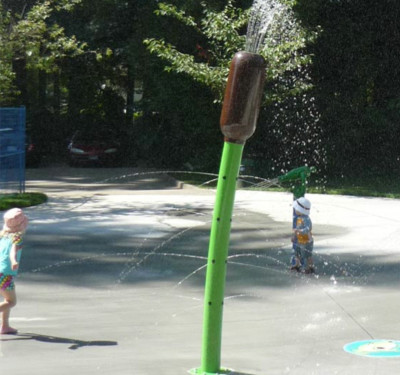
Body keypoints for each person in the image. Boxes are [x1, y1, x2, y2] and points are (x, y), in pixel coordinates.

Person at [0, 208, 28, 334]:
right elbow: (13, 251)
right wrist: (14, 261)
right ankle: (4, 325)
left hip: (2, 273)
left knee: (6, 299)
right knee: (11, 301)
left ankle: (4, 326)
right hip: (5, 274)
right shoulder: (17, 237)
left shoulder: (2, 235)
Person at [290, 197, 314, 274]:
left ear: (301, 210)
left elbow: (307, 229)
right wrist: (294, 236)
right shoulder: (299, 218)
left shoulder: (306, 219)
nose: (295, 210)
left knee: (307, 255)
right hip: (300, 240)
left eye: (296, 209)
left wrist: (299, 231)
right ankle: (297, 265)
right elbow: (297, 228)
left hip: (307, 241)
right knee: (297, 253)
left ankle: (310, 267)